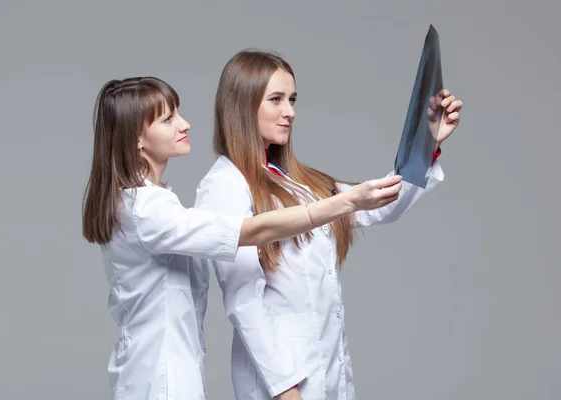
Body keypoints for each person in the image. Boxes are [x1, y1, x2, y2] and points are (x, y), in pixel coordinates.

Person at [81, 76, 406, 400]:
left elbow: (372, 206)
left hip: (163, 370)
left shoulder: (152, 201)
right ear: (136, 138)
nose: (185, 124)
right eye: (168, 119)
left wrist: (424, 150)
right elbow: (251, 232)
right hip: (160, 378)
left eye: (178, 113)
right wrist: (344, 202)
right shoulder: (147, 209)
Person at [194, 51, 463, 400]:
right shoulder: (224, 186)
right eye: (275, 99)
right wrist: (285, 391)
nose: (289, 111)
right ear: (241, 104)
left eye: (292, 99)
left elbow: (379, 203)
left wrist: (428, 144)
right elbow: (243, 300)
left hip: (328, 369)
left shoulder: (299, 183)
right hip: (280, 383)